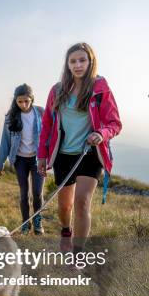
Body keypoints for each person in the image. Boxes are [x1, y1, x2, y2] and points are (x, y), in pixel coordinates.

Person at [37, 42, 122, 252]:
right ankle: (66, 231)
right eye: (73, 61)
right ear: (67, 64)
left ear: (90, 62)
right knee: (65, 206)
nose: (78, 65)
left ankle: (78, 253)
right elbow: (47, 125)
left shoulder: (101, 89)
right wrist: (42, 156)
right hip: (63, 155)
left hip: (90, 154)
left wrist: (101, 134)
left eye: (82, 60)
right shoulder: (57, 90)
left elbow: (115, 123)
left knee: (82, 203)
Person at [0, 83, 45, 235]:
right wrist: (0, 164)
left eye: (26, 101)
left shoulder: (41, 112)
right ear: (15, 101)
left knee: (37, 192)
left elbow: (49, 135)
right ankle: (25, 224)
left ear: (32, 99)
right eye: (20, 101)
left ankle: (38, 222)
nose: (23, 105)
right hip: (20, 160)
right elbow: (5, 140)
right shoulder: (11, 116)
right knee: (24, 193)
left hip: (38, 159)